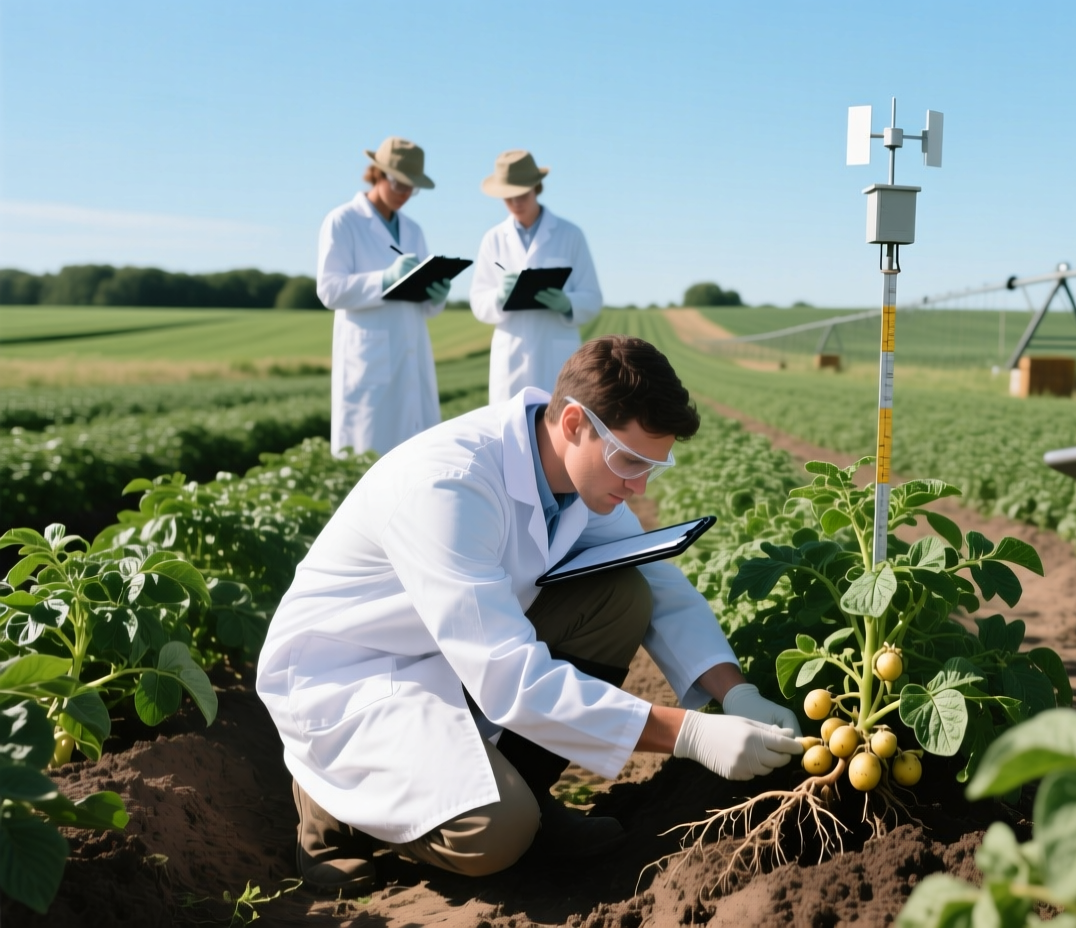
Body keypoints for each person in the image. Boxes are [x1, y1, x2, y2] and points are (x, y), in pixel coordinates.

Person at [255, 336, 803, 892]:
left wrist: (735, 692)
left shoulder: (579, 477)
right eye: (630, 460)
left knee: (622, 598)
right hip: (354, 679)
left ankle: (528, 798)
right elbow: (509, 677)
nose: (638, 484)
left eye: (652, 467)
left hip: (451, 652)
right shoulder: (451, 486)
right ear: (574, 423)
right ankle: (332, 807)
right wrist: (690, 734)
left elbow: (659, 582)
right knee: (495, 834)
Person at [317, 136, 453, 455]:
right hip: (369, 361)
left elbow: (425, 308)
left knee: (416, 456)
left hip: (411, 353)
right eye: (399, 184)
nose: (405, 193)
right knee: (366, 457)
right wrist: (385, 280)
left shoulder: (413, 230)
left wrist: (436, 295)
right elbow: (329, 290)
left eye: (411, 187)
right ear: (377, 173)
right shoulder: (343, 221)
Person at [470, 149, 604, 404]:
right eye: (508, 196)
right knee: (509, 422)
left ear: (536, 187)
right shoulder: (493, 239)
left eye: (522, 194)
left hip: (556, 355)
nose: (515, 202)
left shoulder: (570, 235)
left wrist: (568, 304)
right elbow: (478, 302)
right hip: (511, 356)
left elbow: (593, 297)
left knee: (559, 420)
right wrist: (499, 297)